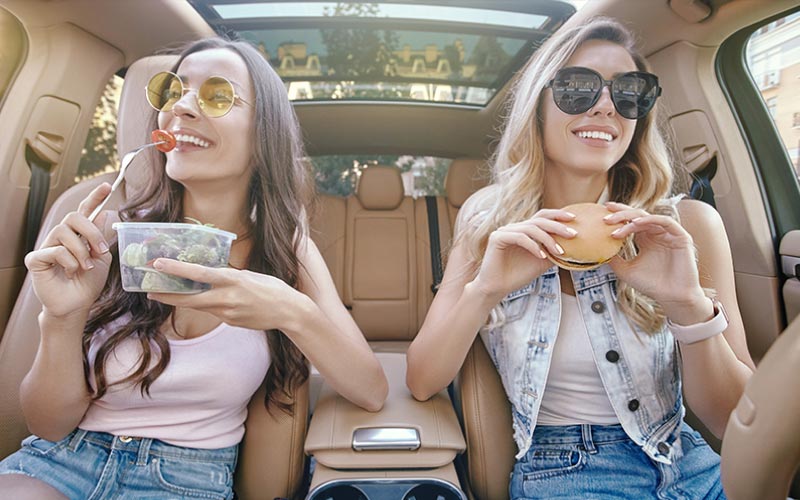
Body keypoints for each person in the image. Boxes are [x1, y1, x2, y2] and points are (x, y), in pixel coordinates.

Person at [0, 37, 387, 500]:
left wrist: (292, 311)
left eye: (217, 95)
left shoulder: (286, 250)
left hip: (184, 479)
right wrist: (61, 318)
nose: (180, 107)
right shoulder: (107, 233)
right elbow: (47, 424)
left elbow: (371, 390)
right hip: (62, 460)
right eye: (173, 91)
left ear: (264, 135)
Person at [406, 18, 754, 499]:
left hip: (693, 463)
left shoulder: (686, 227)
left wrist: (689, 308)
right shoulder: (488, 221)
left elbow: (736, 419)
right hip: (567, 471)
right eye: (577, 87)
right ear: (538, 106)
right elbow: (423, 380)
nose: (607, 106)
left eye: (629, 91)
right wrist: (485, 289)